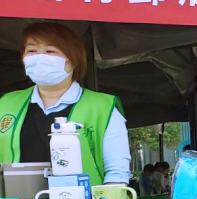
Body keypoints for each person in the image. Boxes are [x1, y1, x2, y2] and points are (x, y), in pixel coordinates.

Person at [0, 22, 130, 185]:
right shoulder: (6, 104)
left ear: (73, 60)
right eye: (31, 51)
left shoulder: (103, 107)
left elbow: (117, 172)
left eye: (50, 51)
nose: (39, 58)